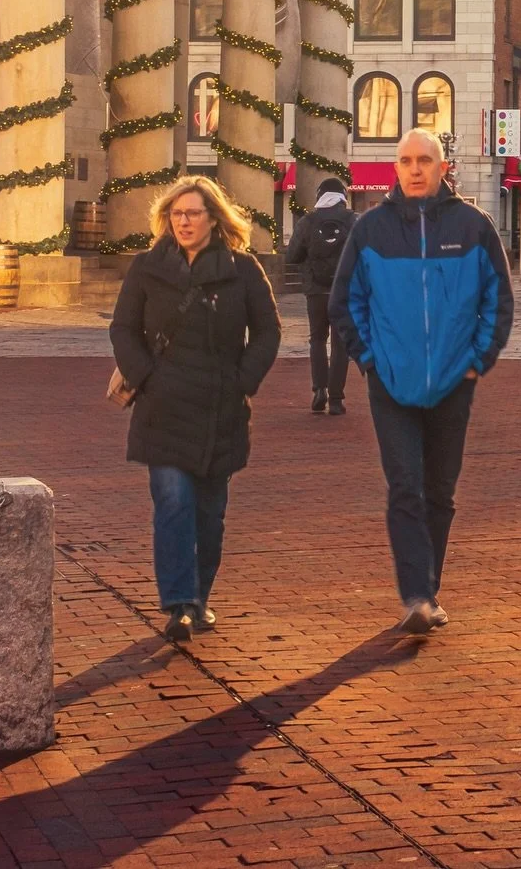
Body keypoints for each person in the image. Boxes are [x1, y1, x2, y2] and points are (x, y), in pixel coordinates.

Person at [332, 128, 514, 636]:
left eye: (424, 160)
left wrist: (479, 360)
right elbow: (345, 302)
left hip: (455, 382)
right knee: (405, 487)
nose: (415, 169)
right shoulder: (370, 230)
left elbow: (497, 301)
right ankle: (417, 595)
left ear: (441, 167)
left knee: (440, 491)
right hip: (390, 384)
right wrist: (369, 358)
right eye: (406, 160)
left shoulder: (473, 227)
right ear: (395, 168)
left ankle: (429, 588)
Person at [110, 175, 281, 644]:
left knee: (210, 513)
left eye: (193, 213)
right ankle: (178, 604)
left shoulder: (242, 270)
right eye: (176, 214)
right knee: (172, 503)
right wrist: (145, 376)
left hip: (219, 409)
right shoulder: (148, 267)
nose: (184, 222)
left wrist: (243, 382)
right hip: (162, 408)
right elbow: (123, 329)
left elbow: (268, 332)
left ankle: (200, 597)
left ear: (214, 219)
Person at [285, 176, 355, 414]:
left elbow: (291, 256)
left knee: (317, 339)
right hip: (345, 291)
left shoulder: (308, 221)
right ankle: (336, 399)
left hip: (316, 290)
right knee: (340, 343)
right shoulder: (353, 220)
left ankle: (319, 390)